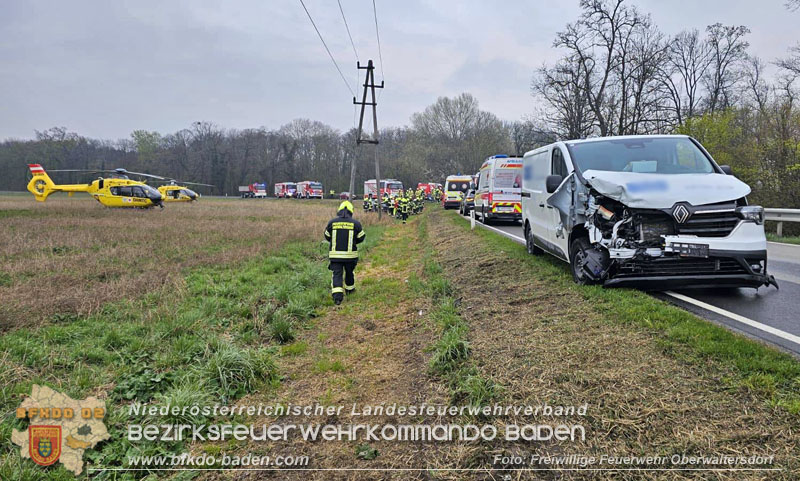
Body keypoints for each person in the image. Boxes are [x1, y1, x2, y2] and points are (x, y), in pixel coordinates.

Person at [324, 201, 365, 305]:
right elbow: (361, 237)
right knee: (349, 273)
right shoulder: (356, 223)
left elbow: (327, 236)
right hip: (350, 256)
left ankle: (337, 298)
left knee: (337, 274)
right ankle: (350, 291)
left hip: (335, 256)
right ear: (351, 211)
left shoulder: (332, 223)